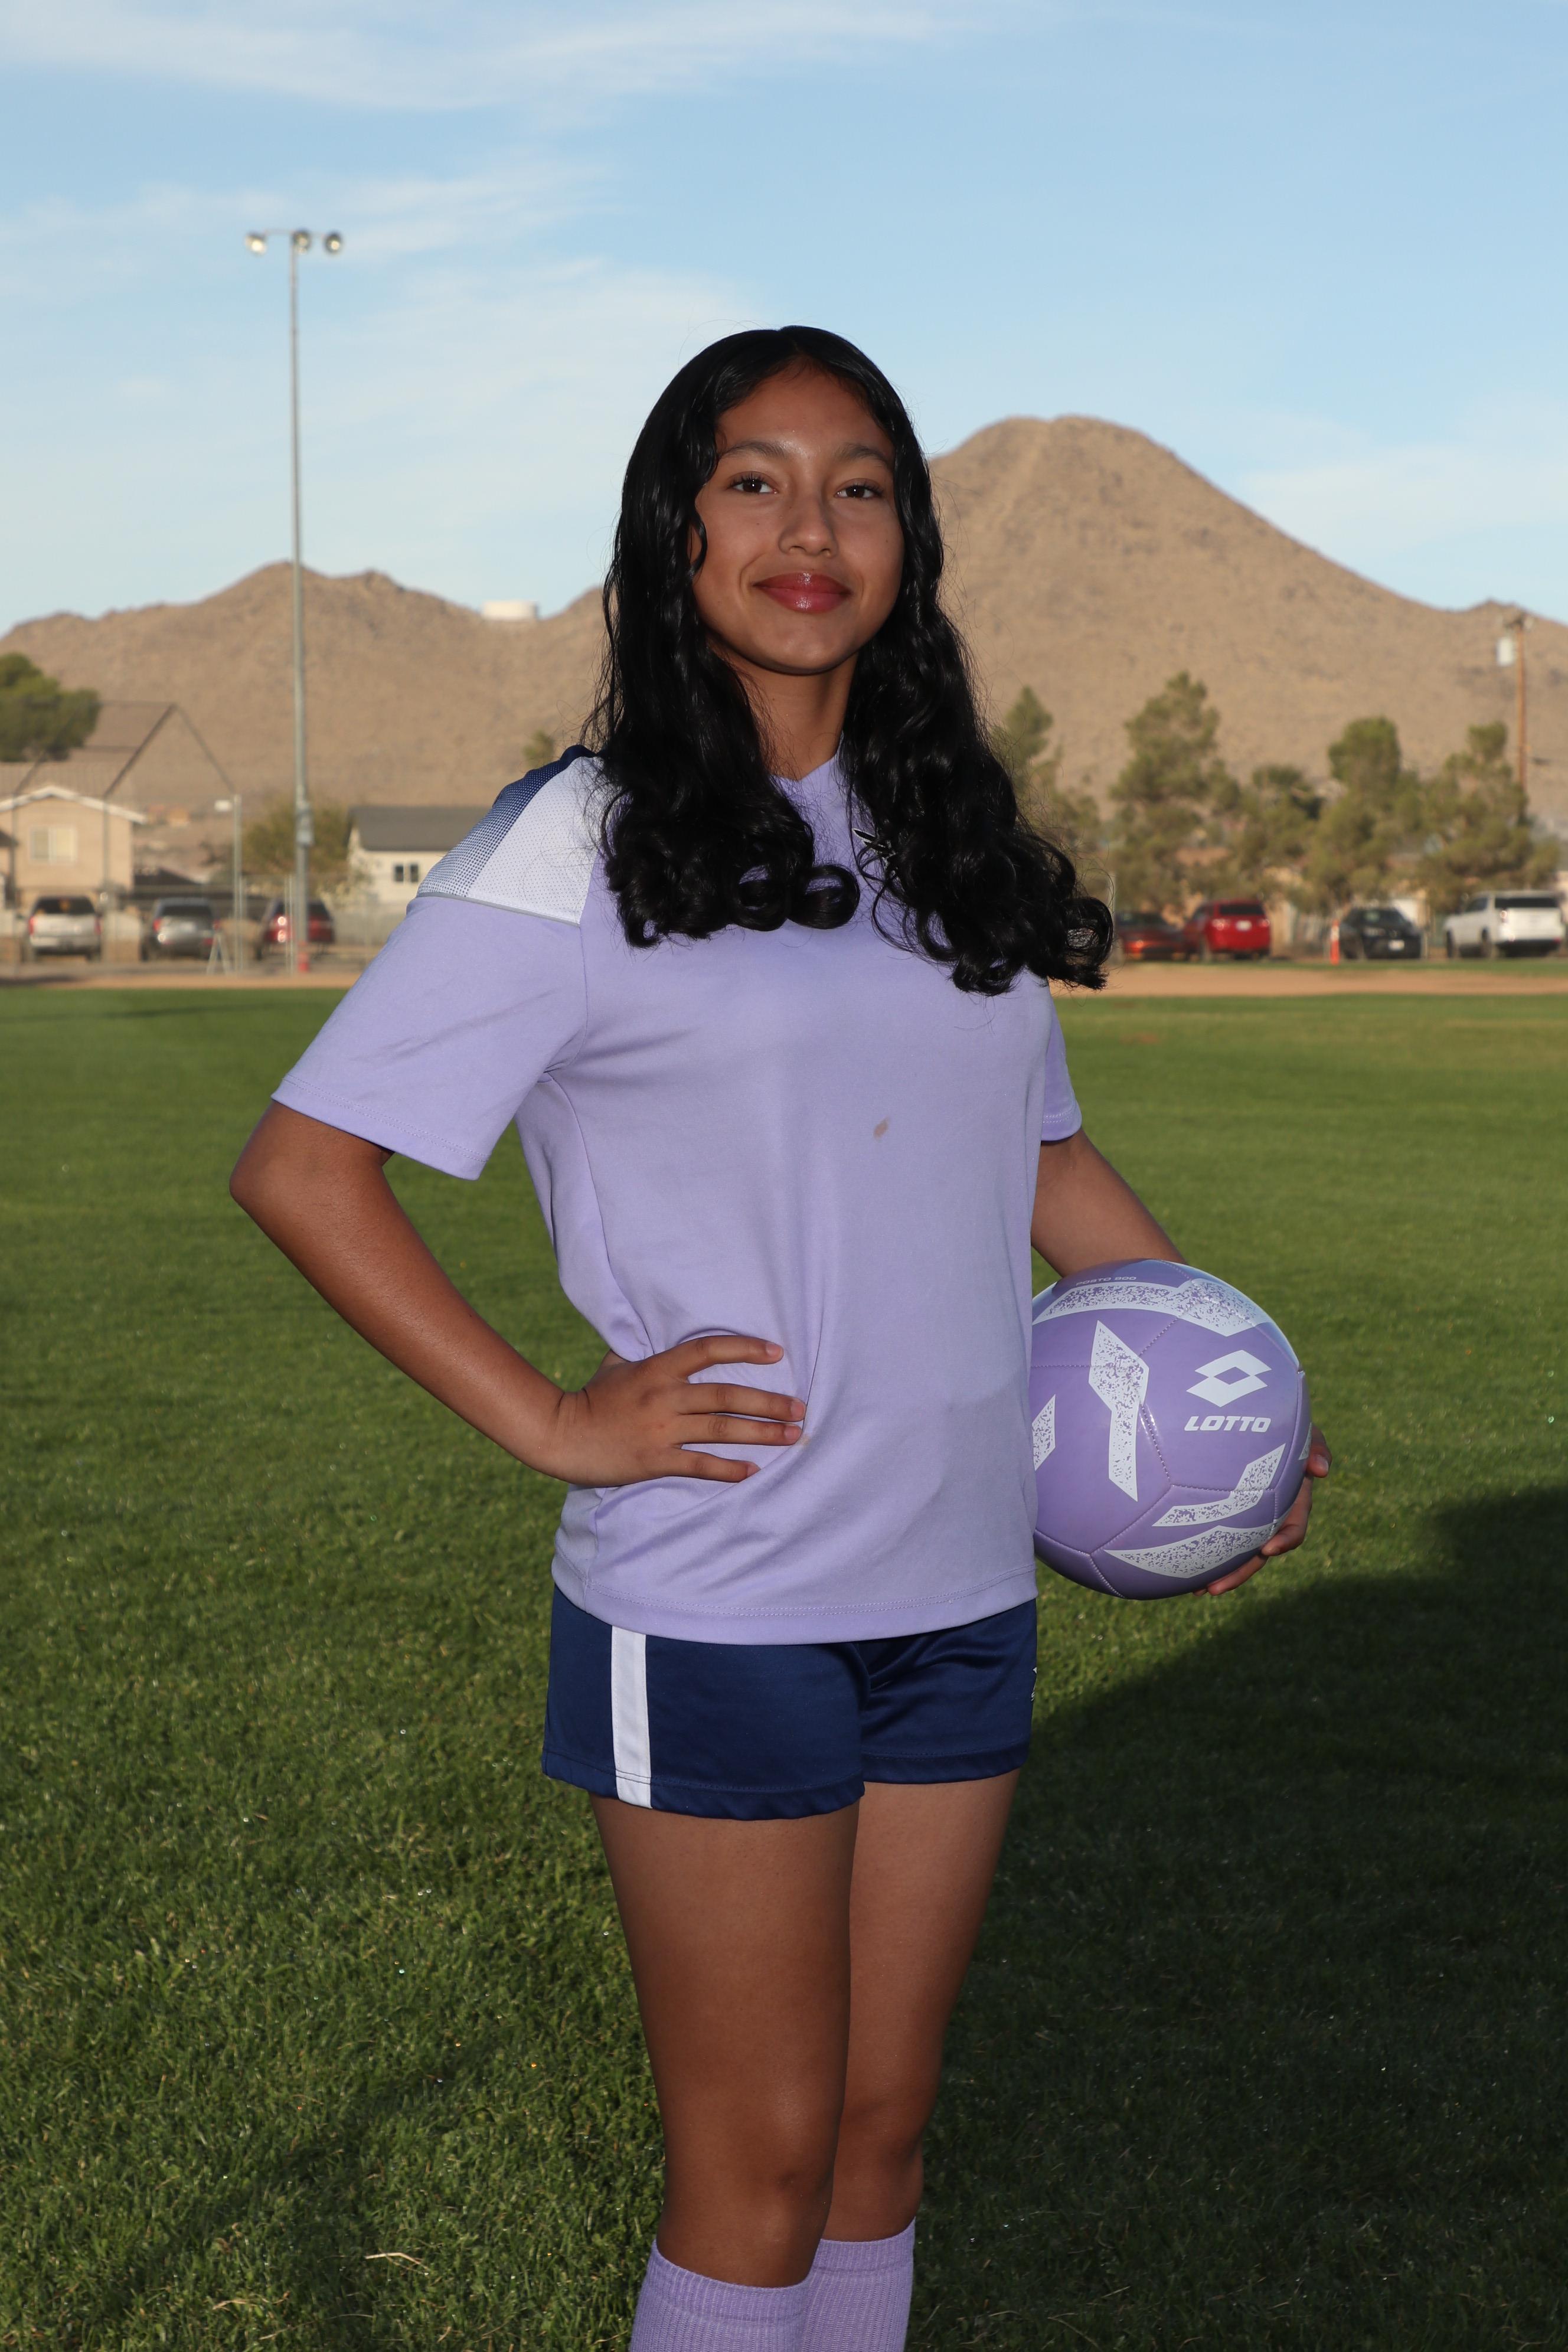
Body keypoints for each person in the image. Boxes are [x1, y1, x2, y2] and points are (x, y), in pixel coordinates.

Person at [231, 326, 1330, 2352]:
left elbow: (1044, 1159)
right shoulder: (578, 837)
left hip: (962, 1584)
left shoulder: (941, 837)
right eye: (755, 480)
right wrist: (556, 1420)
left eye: (859, 485)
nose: (809, 527)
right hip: (723, 1598)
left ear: (908, 539)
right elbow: (305, 1169)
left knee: (880, 2142)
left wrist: (1224, 1391)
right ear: (679, 529)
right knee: (754, 2173)